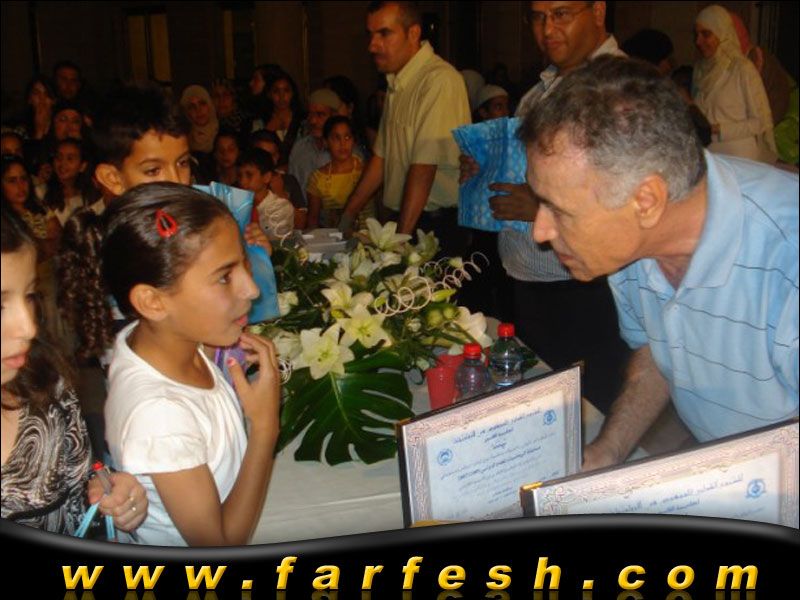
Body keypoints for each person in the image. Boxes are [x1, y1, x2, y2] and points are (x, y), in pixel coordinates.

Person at [518, 55, 798, 470]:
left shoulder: (787, 259)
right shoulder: (632, 244)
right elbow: (658, 351)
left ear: (646, 201)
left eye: (559, 210)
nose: (540, 231)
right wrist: (609, 450)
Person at [64, 183, 281, 546]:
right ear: (153, 302)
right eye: (225, 276)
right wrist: (265, 426)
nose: (251, 288)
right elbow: (219, 545)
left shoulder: (154, 338)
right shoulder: (159, 416)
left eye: (243, 262)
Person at [460, 0, 631, 414]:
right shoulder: (542, 89)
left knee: (588, 415)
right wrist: (484, 169)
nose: (548, 28)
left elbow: (629, 196)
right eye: (538, 17)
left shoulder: (620, 86)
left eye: (561, 14)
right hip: (532, 281)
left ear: (597, 11)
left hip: (587, 288)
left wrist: (540, 207)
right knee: (544, 411)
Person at [1, 201, 147, 536]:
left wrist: (108, 490)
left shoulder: (45, 383)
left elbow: (83, 480)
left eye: (29, 296)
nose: (28, 328)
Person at [341, 1, 471, 258]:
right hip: (406, 220)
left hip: (433, 225)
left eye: (384, 33)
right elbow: (381, 157)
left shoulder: (439, 80)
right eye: (370, 35)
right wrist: (348, 213)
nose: (372, 46)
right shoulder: (397, 82)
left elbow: (424, 168)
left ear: (413, 33)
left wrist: (399, 245)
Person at [692, 5, 776, 164]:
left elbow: (759, 122)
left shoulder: (742, 68)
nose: (698, 41)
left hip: (739, 158)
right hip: (710, 156)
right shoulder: (700, 70)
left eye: (706, 34)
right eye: (697, 35)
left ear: (722, 33)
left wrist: (718, 129)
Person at [287, 88, 346, 206]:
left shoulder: (345, 151)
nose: (313, 121)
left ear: (334, 116)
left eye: (320, 115)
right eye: (310, 114)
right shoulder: (300, 147)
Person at [307, 116, 367, 230]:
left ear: (354, 141)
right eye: (336, 138)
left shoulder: (366, 172)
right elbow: (312, 220)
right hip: (332, 238)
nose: (342, 143)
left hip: (368, 237)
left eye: (347, 137)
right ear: (326, 142)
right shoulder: (317, 178)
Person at [251, 130, 307, 229]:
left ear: (277, 156)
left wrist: (281, 194)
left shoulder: (288, 181)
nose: (266, 160)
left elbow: (301, 224)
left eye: (271, 155)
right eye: (261, 155)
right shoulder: (244, 183)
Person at [238, 148, 295, 239]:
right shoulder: (235, 204)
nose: (242, 181)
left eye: (249, 175)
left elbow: (277, 244)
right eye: (239, 175)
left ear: (266, 177)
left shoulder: (281, 208)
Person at [179, 85, 218, 183]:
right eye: (192, 107)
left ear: (210, 105)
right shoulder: (182, 141)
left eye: (202, 103)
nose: (198, 110)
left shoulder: (224, 135)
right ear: (186, 112)